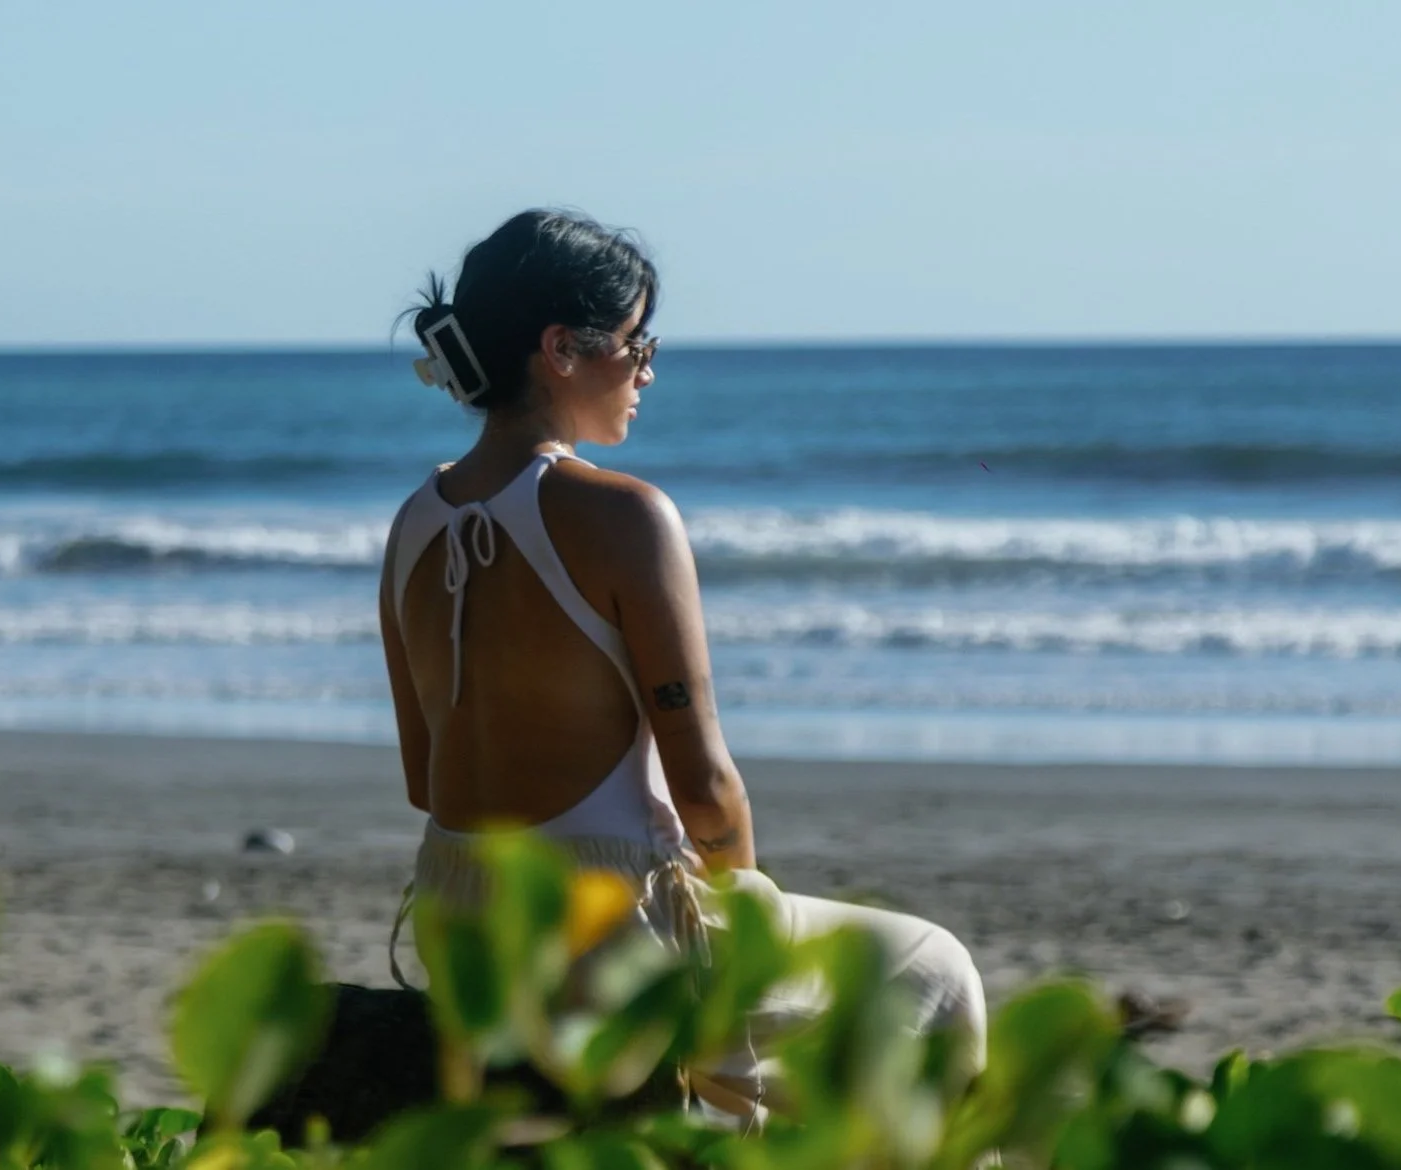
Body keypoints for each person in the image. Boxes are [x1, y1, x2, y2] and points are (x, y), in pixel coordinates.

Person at [379, 209, 985, 1122]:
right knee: (931, 970)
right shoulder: (628, 517)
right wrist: (737, 914)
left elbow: (425, 778)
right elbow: (705, 787)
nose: (648, 370)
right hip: (612, 933)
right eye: (636, 342)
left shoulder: (412, 525)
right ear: (561, 349)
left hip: (459, 916)